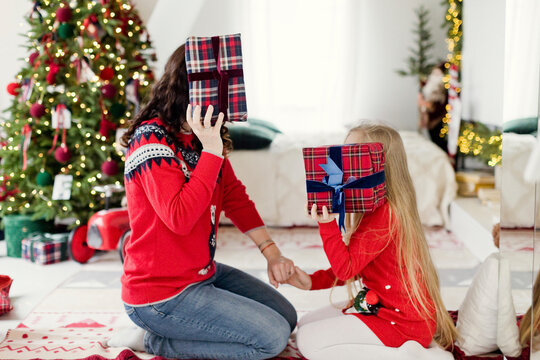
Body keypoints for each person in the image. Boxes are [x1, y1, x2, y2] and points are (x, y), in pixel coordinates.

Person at [107, 44, 297, 360]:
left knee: (286, 317)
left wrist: (273, 254)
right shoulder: (150, 139)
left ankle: (179, 328)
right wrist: (210, 151)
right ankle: (153, 340)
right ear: (190, 88)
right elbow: (179, 218)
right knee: (271, 340)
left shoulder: (203, 136)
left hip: (201, 274)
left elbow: (234, 196)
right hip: (159, 295)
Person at [286, 123, 458, 359]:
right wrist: (312, 282)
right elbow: (358, 264)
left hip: (401, 322)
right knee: (305, 324)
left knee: (308, 342)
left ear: (378, 164)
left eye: (352, 156)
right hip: (381, 307)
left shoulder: (387, 213)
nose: (344, 166)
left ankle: (413, 354)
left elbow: (346, 269)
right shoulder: (374, 208)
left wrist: (327, 225)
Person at [417, 63, 448, 153]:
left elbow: (434, 105)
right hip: (430, 116)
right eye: (434, 73)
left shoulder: (440, 87)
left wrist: (424, 103)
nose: (434, 76)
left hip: (437, 116)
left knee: (438, 140)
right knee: (433, 139)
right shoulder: (427, 85)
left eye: (437, 73)